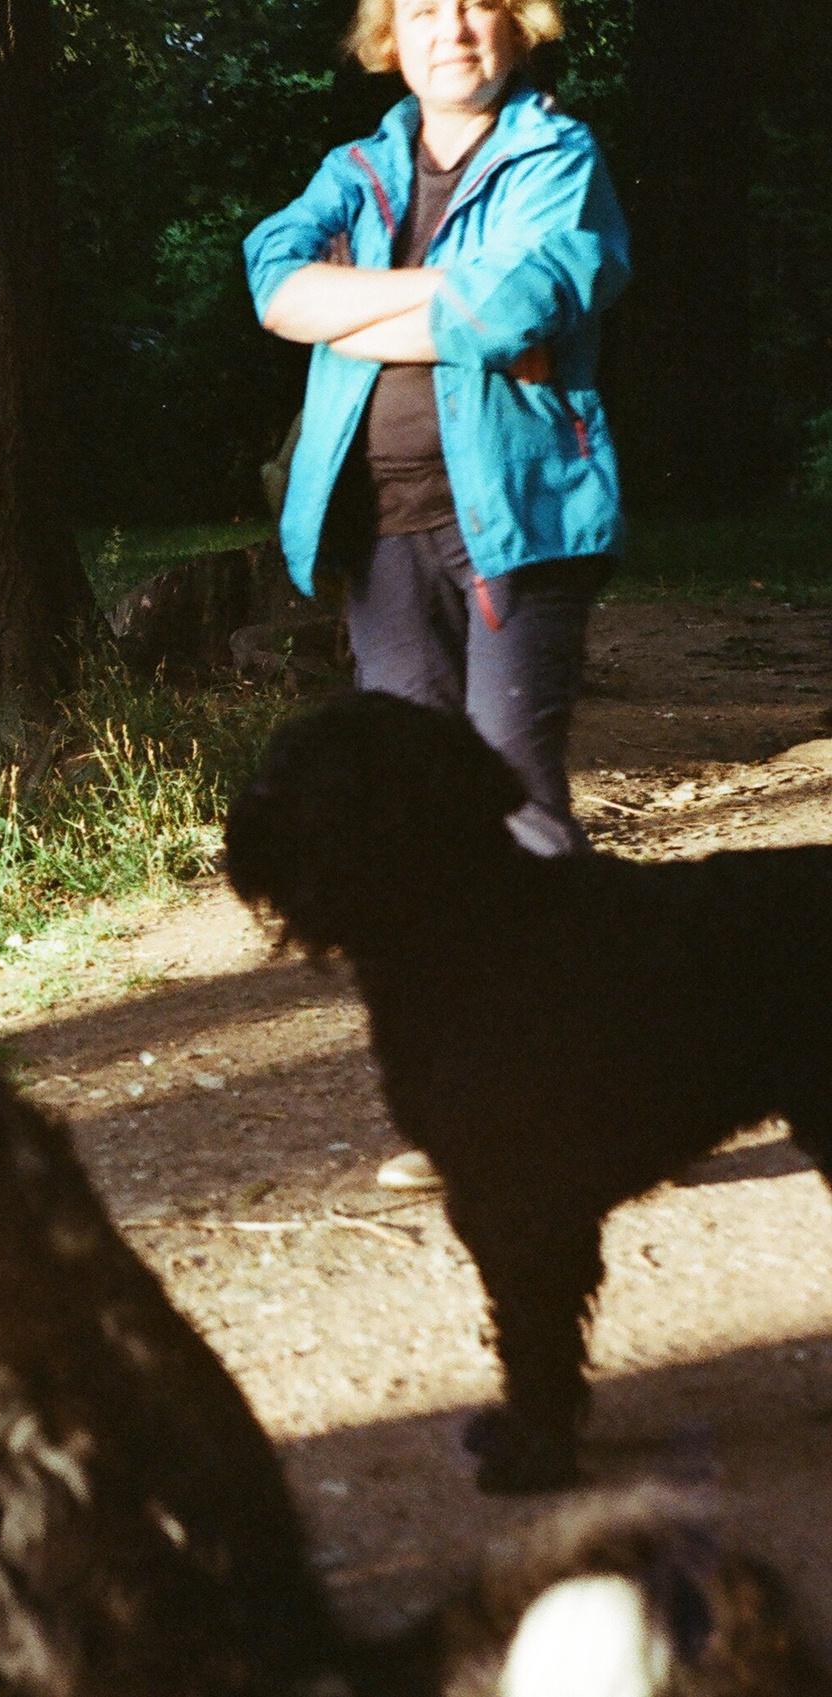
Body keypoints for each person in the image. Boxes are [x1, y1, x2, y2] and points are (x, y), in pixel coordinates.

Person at [245, 0, 629, 1190]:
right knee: (402, 820)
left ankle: (578, 1095)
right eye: (421, 8)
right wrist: (442, 308)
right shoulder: (352, 166)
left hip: (519, 527)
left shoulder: (554, 155)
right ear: (387, 38)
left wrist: (352, 313)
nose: (449, 26)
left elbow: (523, 302)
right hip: (379, 532)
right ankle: (460, 1101)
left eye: (476, 4)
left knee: (512, 788)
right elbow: (272, 282)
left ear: (520, 28)